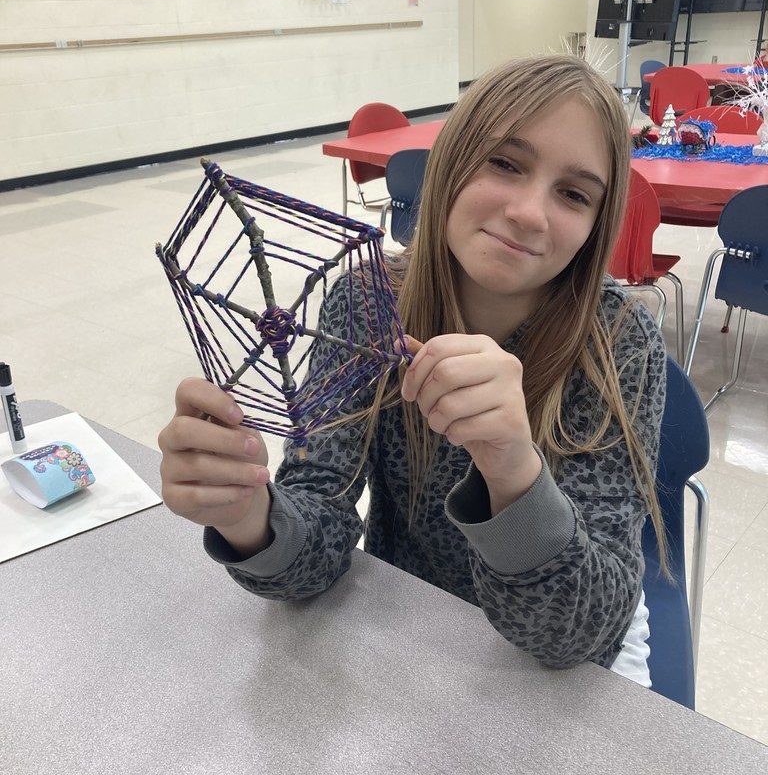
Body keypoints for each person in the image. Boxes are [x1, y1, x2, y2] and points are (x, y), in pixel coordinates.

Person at [159, 54, 667, 685]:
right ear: (452, 161)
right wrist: (248, 518)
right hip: (416, 627)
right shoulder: (368, 302)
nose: (530, 213)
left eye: (573, 194)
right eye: (505, 163)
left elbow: (579, 634)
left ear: (596, 224)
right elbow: (317, 524)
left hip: (571, 645)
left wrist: (512, 469)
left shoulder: (619, 338)